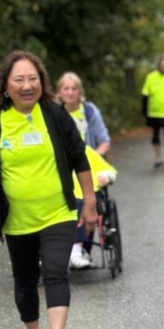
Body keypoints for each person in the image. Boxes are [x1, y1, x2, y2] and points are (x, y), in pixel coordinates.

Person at [0, 51, 98, 329]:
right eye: (19, 80)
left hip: (57, 212)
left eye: (33, 79)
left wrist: (89, 200)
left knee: (55, 270)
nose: (27, 86)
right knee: (25, 281)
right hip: (16, 220)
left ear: (42, 82)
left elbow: (79, 157)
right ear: (5, 86)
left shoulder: (55, 115)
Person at [56, 72, 112, 269]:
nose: (71, 92)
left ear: (80, 92)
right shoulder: (53, 113)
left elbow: (104, 141)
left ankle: (78, 248)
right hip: (59, 169)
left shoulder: (89, 112)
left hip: (86, 167)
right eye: (66, 88)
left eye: (74, 88)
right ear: (59, 92)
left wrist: (92, 158)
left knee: (89, 200)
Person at [140, 58, 164, 168]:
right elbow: (145, 95)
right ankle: (157, 157)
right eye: (161, 66)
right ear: (158, 66)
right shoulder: (151, 77)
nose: (163, 68)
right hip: (154, 113)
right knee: (155, 136)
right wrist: (144, 113)